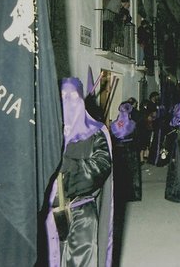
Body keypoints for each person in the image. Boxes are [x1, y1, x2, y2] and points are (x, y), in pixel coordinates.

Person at [57, 77, 113, 267]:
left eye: (73, 96)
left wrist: (70, 166)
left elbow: (102, 166)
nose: (68, 101)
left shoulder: (95, 132)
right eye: (63, 96)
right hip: (48, 213)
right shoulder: (47, 132)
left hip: (81, 210)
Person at [111, 102, 141, 202]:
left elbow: (112, 138)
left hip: (118, 150)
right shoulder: (132, 124)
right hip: (130, 150)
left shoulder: (114, 124)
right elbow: (137, 138)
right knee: (132, 173)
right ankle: (133, 194)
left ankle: (119, 194)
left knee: (120, 172)